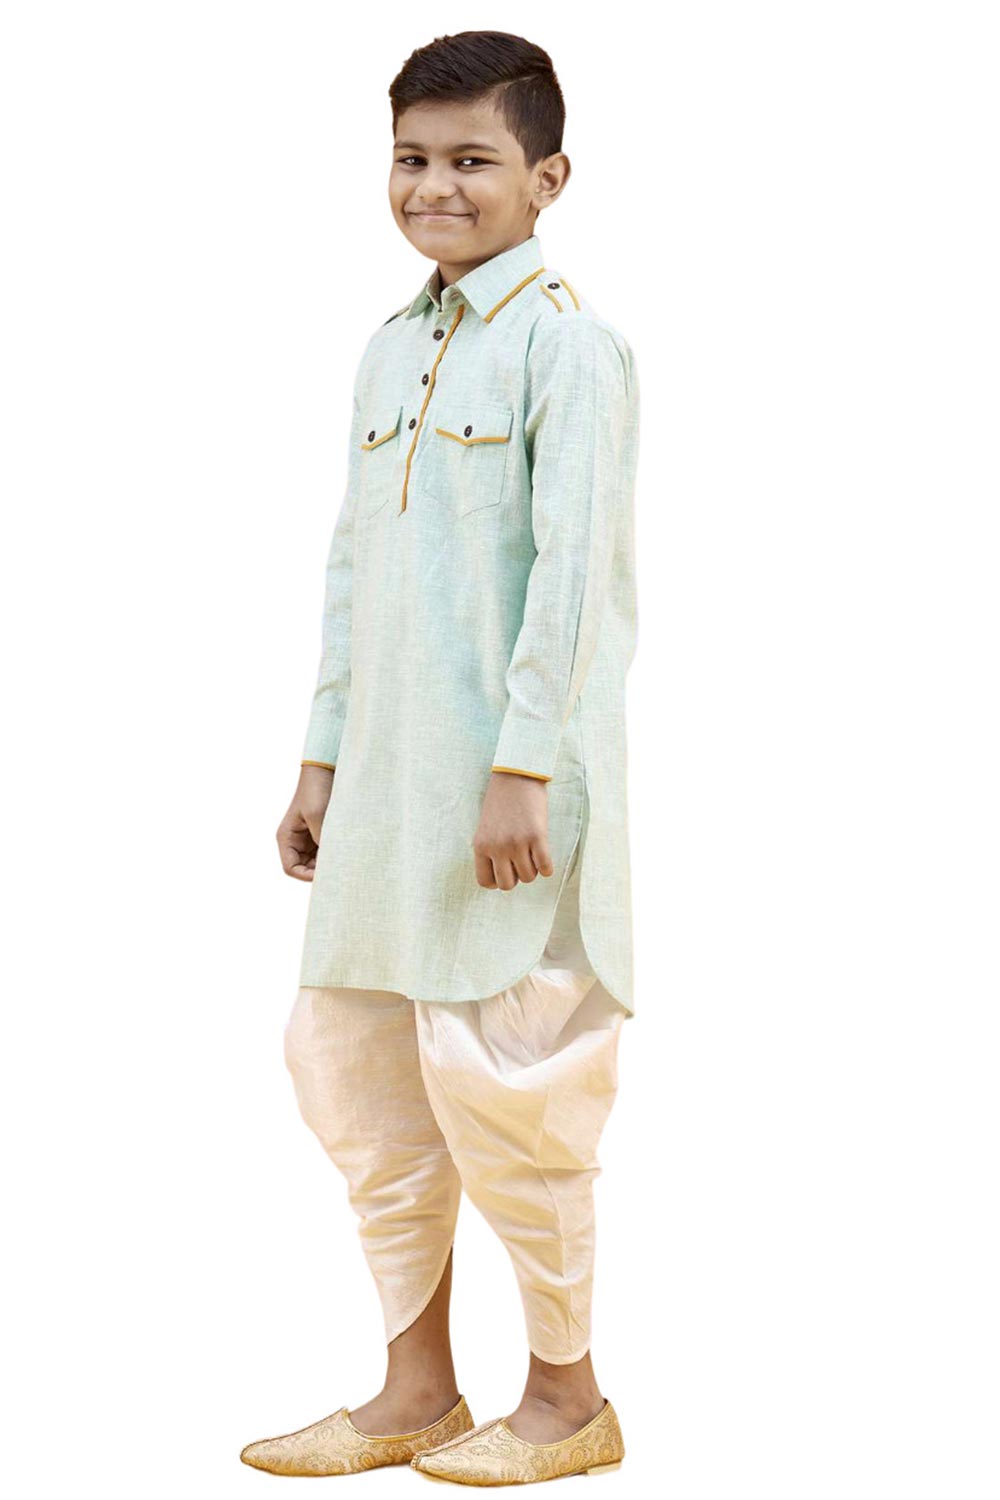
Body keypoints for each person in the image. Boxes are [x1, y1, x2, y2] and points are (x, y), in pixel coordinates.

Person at [240, 30, 640, 1487]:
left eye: (474, 160)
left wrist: (524, 766)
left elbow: (578, 578)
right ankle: (414, 1389)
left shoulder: (570, 348)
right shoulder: (390, 348)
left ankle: (566, 1403)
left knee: (514, 1087)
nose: (435, 186)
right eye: (412, 158)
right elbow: (356, 569)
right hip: (385, 798)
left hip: (507, 802)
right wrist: (322, 759)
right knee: (356, 1075)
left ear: (548, 178)